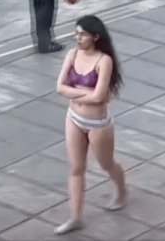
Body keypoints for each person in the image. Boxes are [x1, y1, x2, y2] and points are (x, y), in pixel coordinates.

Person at [54, 15, 126, 235]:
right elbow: (59, 87)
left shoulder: (104, 60)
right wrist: (86, 94)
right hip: (74, 119)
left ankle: (122, 191)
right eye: (76, 33)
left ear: (95, 37)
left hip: (98, 123)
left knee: (106, 163)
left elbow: (100, 97)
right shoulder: (72, 54)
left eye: (82, 34)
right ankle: (76, 216)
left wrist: (75, 94)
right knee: (76, 168)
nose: (78, 38)